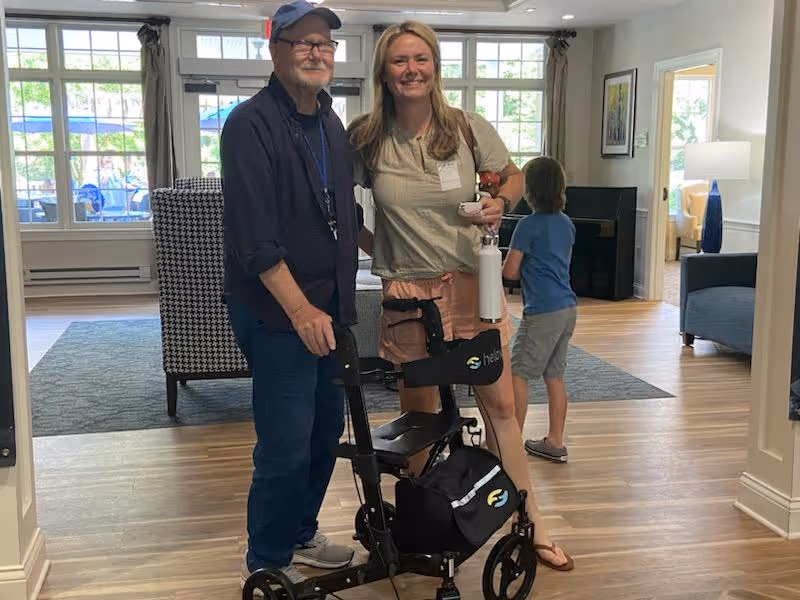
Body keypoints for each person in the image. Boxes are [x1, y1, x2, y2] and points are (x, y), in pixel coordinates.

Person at [348, 21, 574, 572]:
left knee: (499, 409)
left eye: (421, 58)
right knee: (419, 419)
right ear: (384, 70)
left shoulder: (467, 128)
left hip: (473, 287)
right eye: (400, 60)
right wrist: (377, 247)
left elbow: (513, 177)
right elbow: (338, 203)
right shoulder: (365, 136)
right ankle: (426, 526)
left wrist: (501, 203)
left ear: (435, 66)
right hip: (406, 294)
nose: (411, 70)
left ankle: (531, 522)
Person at [221, 0, 362, 588]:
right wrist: (300, 309)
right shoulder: (248, 124)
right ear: (274, 49)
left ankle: (300, 533)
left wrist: (396, 254)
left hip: (330, 307)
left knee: (325, 429)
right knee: (284, 442)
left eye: (324, 44)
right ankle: (267, 557)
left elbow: (341, 213)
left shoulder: (330, 122)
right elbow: (256, 238)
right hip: (280, 313)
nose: (315, 52)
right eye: (302, 42)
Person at [502, 157, 578, 463]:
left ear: (529, 190)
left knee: (517, 374)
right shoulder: (567, 223)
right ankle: (554, 442)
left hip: (542, 310)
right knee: (554, 376)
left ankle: (510, 443)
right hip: (567, 307)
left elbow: (510, 272)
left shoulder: (527, 225)